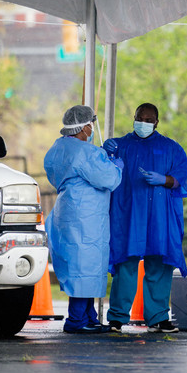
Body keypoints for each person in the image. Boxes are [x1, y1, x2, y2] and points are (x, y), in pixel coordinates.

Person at [103, 103, 187, 333]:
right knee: (126, 264)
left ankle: (158, 318)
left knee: (159, 265)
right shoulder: (120, 146)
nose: (143, 123)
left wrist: (164, 179)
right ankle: (117, 318)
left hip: (159, 217)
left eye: (149, 120)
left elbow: (180, 178)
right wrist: (103, 152)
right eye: (140, 118)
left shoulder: (171, 148)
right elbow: (101, 171)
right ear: (133, 118)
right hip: (128, 215)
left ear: (157, 122)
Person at [45, 104, 123, 334]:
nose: (92, 129)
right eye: (90, 125)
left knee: (80, 265)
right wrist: (115, 165)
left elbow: (60, 173)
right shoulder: (86, 152)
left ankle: (88, 316)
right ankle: (77, 319)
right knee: (85, 265)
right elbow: (108, 179)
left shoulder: (58, 147)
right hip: (86, 216)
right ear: (84, 127)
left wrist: (99, 155)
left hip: (67, 210)